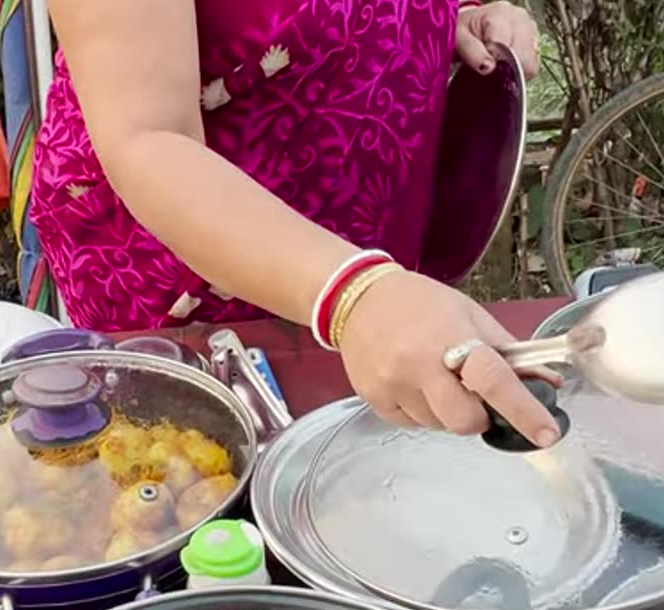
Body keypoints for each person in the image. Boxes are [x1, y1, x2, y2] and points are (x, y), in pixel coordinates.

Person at [30, 0, 561, 447]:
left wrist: (454, 19)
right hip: (187, 272)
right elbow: (147, 138)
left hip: (369, 259)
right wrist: (355, 294)